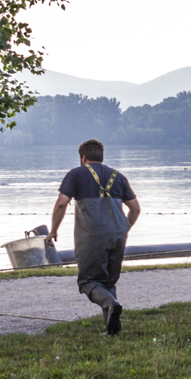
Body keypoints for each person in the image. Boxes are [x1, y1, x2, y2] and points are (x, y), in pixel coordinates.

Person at [47, 138, 141, 335]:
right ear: (101, 157)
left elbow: (62, 203)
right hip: (118, 234)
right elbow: (135, 209)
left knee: (88, 282)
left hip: (92, 236)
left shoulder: (76, 174)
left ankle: (110, 304)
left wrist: (53, 230)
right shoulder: (118, 176)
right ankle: (111, 328)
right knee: (108, 282)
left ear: (83, 157)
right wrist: (124, 228)